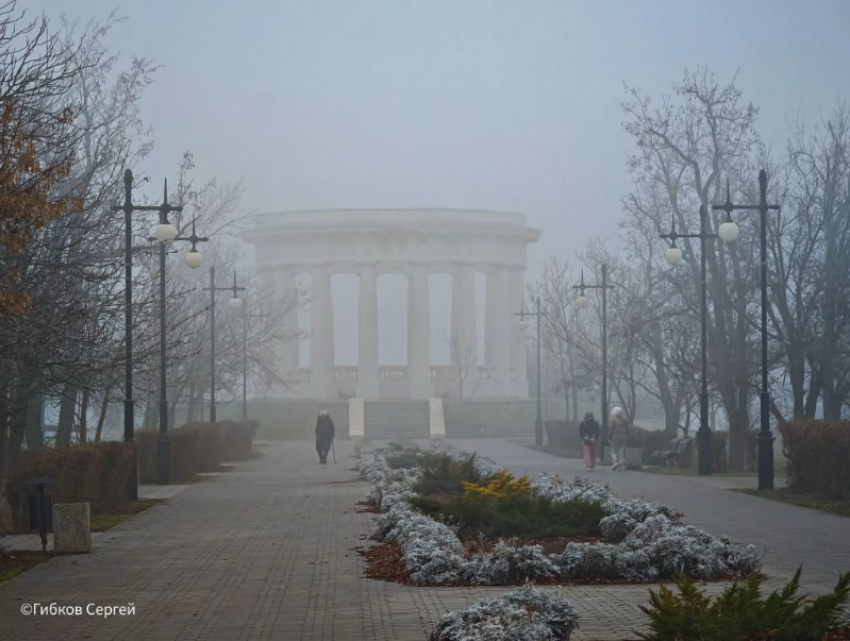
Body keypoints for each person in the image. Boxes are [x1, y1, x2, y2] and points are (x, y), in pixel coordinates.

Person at [608, 406, 629, 471]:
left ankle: (615, 462)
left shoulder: (613, 421)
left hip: (615, 438)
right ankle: (620, 464)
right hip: (623, 438)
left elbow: (611, 430)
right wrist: (627, 436)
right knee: (621, 451)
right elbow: (627, 429)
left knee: (613, 451)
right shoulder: (624, 421)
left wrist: (609, 437)